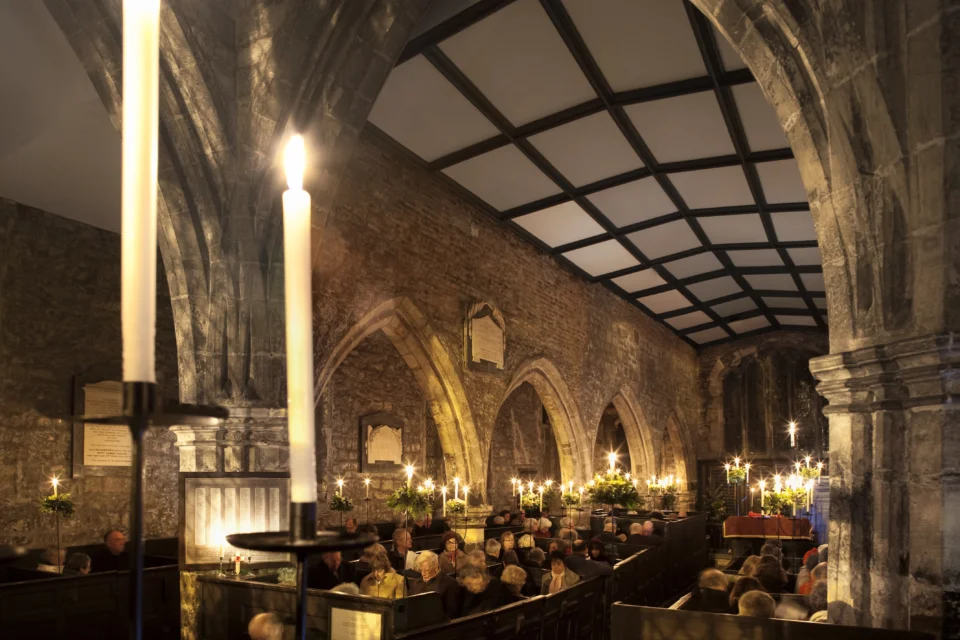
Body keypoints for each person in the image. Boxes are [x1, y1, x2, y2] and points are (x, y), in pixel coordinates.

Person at [408, 551, 458, 618]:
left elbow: (450, 613)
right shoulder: (414, 583)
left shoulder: (450, 583)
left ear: (436, 567)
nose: (423, 574)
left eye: (427, 570)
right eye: (421, 570)